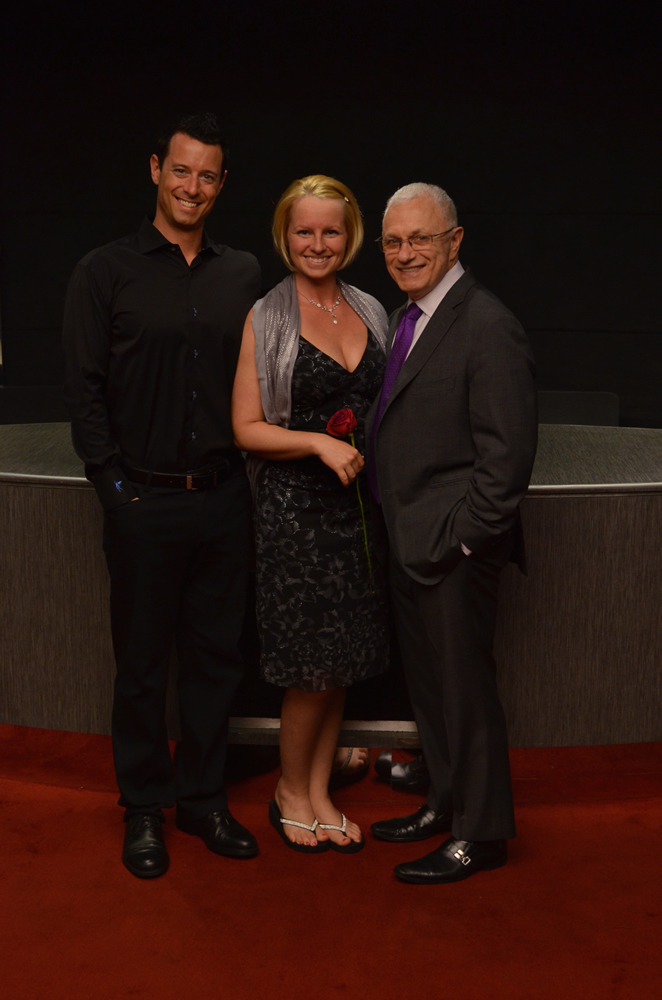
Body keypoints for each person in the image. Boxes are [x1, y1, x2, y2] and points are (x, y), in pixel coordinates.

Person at [62, 113, 261, 878]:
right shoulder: (103, 271)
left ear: (221, 184)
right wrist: (114, 490)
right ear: (155, 170)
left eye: (207, 175)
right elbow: (83, 391)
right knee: (143, 668)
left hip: (223, 500)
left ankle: (202, 799)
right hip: (142, 504)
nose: (192, 187)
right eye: (181, 170)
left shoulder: (242, 273)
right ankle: (143, 808)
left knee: (215, 662)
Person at [368, 183, 537, 884]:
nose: (406, 253)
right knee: (433, 691)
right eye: (394, 241)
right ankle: (444, 800)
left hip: (452, 550)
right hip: (410, 542)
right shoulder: (406, 319)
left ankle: (481, 834)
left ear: (455, 241)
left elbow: (506, 460)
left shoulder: (488, 324)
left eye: (421, 239)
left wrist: (460, 541)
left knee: (465, 695)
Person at [232, 175, 389, 853]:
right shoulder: (266, 315)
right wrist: (317, 442)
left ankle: (319, 789)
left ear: (349, 237)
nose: (317, 243)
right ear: (285, 236)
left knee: (342, 660)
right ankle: (289, 791)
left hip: (359, 513)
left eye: (330, 231)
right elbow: (246, 427)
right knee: (309, 668)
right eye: (304, 231)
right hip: (295, 516)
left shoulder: (370, 308)